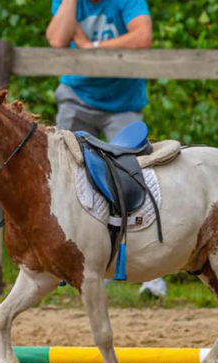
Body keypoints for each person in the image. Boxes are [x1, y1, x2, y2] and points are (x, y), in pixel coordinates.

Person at [47, 0, 166, 299]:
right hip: (76, 96)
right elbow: (57, 39)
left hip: (122, 103)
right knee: (61, 176)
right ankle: (66, 265)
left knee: (135, 177)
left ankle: (152, 275)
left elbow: (143, 37)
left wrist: (94, 46)